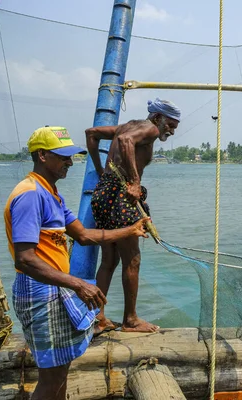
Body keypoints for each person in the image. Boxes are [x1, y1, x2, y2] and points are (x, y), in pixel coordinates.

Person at [4, 126, 149, 400]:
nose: (70, 162)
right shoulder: (30, 195)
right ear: (42, 155)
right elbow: (25, 259)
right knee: (51, 378)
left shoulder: (52, 194)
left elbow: (83, 235)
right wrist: (78, 284)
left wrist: (130, 231)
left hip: (54, 288)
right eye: (63, 156)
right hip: (40, 291)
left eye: (71, 156)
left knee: (61, 370)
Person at [86, 98, 181, 334]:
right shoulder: (149, 129)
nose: (170, 130)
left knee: (109, 260)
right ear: (157, 117)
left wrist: (100, 170)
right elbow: (125, 141)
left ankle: (98, 318)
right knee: (132, 259)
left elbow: (91, 133)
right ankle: (130, 319)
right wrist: (135, 182)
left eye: (175, 127)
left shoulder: (126, 125)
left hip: (103, 194)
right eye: (170, 124)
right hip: (119, 197)